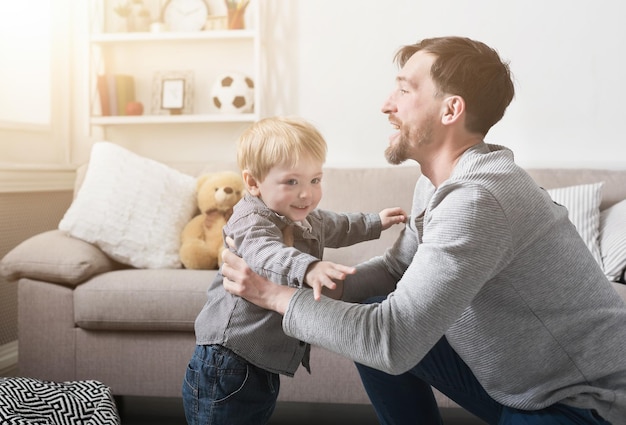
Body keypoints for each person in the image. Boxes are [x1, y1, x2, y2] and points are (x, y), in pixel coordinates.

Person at [220, 36, 626, 425]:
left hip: (583, 405)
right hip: (520, 392)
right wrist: (317, 281)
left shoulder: (478, 199)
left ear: (450, 110)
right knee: (371, 304)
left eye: (404, 91)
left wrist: (272, 295)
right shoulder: (437, 183)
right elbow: (398, 270)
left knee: (377, 332)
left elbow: (391, 341)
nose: (385, 105)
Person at [182, 116, 407, 425]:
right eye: (292, 182)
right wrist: (309, 267)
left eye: (315, 180)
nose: (307, 194)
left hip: (261, 360)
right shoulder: (251, 219)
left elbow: (340, 225)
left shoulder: (306, 217)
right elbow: (267, 253)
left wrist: (376, 222)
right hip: (227, 359)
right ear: (252, 183)